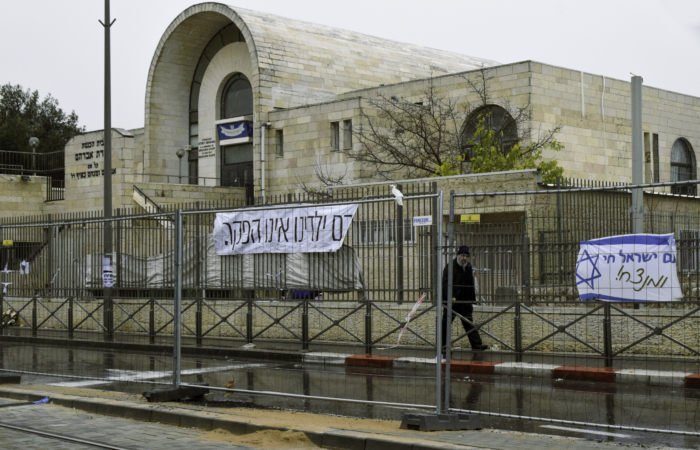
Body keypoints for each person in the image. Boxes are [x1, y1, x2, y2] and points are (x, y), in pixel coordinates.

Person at [442, 246, 488, 352]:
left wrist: (472, 299)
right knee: (446, 324)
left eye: (467, 256)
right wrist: (451, 296)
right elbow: (445, 283)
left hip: (465, 301)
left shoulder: (467, 267)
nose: (464, 258)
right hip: (453, 301)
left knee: (469, 323)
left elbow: (469, 284)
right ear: (457, 255)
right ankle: (443, 347)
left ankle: (476, 345)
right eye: (462, 255)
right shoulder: (451, 267)